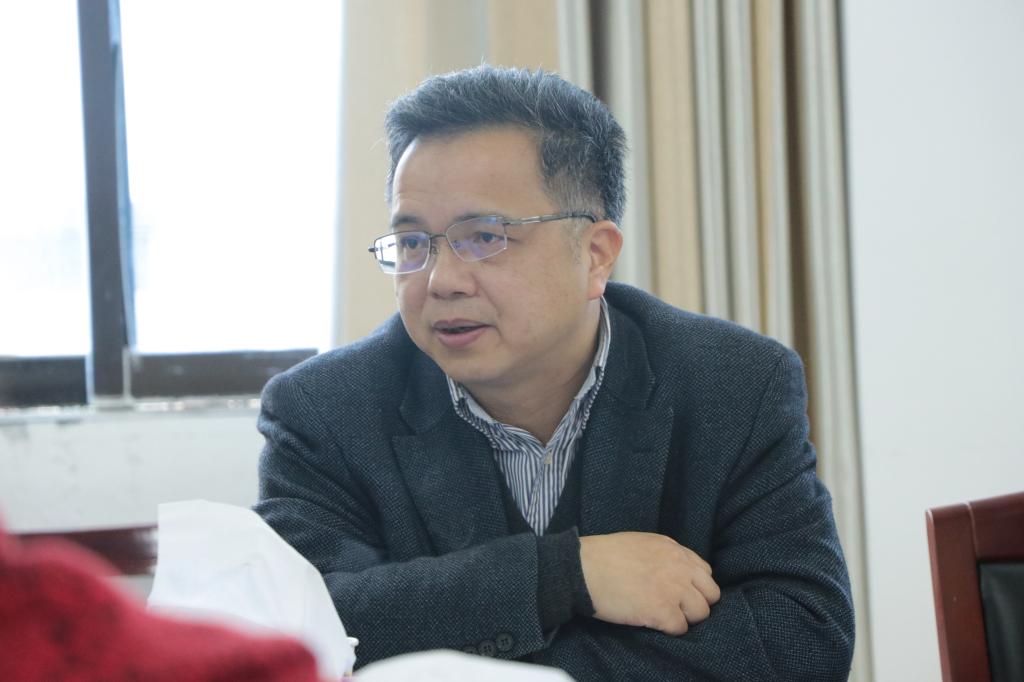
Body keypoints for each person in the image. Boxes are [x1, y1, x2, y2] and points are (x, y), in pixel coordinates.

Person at [255, 65, 854, 680]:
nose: (440, 280)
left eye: (483, 237)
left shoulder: (734, 383)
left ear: (595, 256)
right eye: (413, 244)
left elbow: (802, 638)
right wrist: (563, 574)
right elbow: (300, 629)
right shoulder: (324, 409)